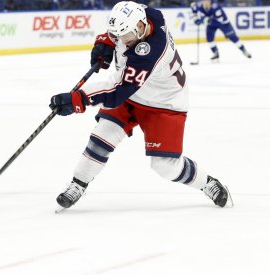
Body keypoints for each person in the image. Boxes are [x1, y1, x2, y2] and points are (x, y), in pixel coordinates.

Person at [49, 1, 233, 210]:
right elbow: (118, 30)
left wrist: (78, 99)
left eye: (125, 36)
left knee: (164, 166)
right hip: (133, 95)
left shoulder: (148, 52)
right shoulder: (147, 16)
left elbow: (117, 91)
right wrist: (106, 43)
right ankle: (78, 183)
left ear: (140, 27)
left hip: (164, 104)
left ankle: (207, 183)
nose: (122, 41)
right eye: (119, 36)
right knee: (103, 135)